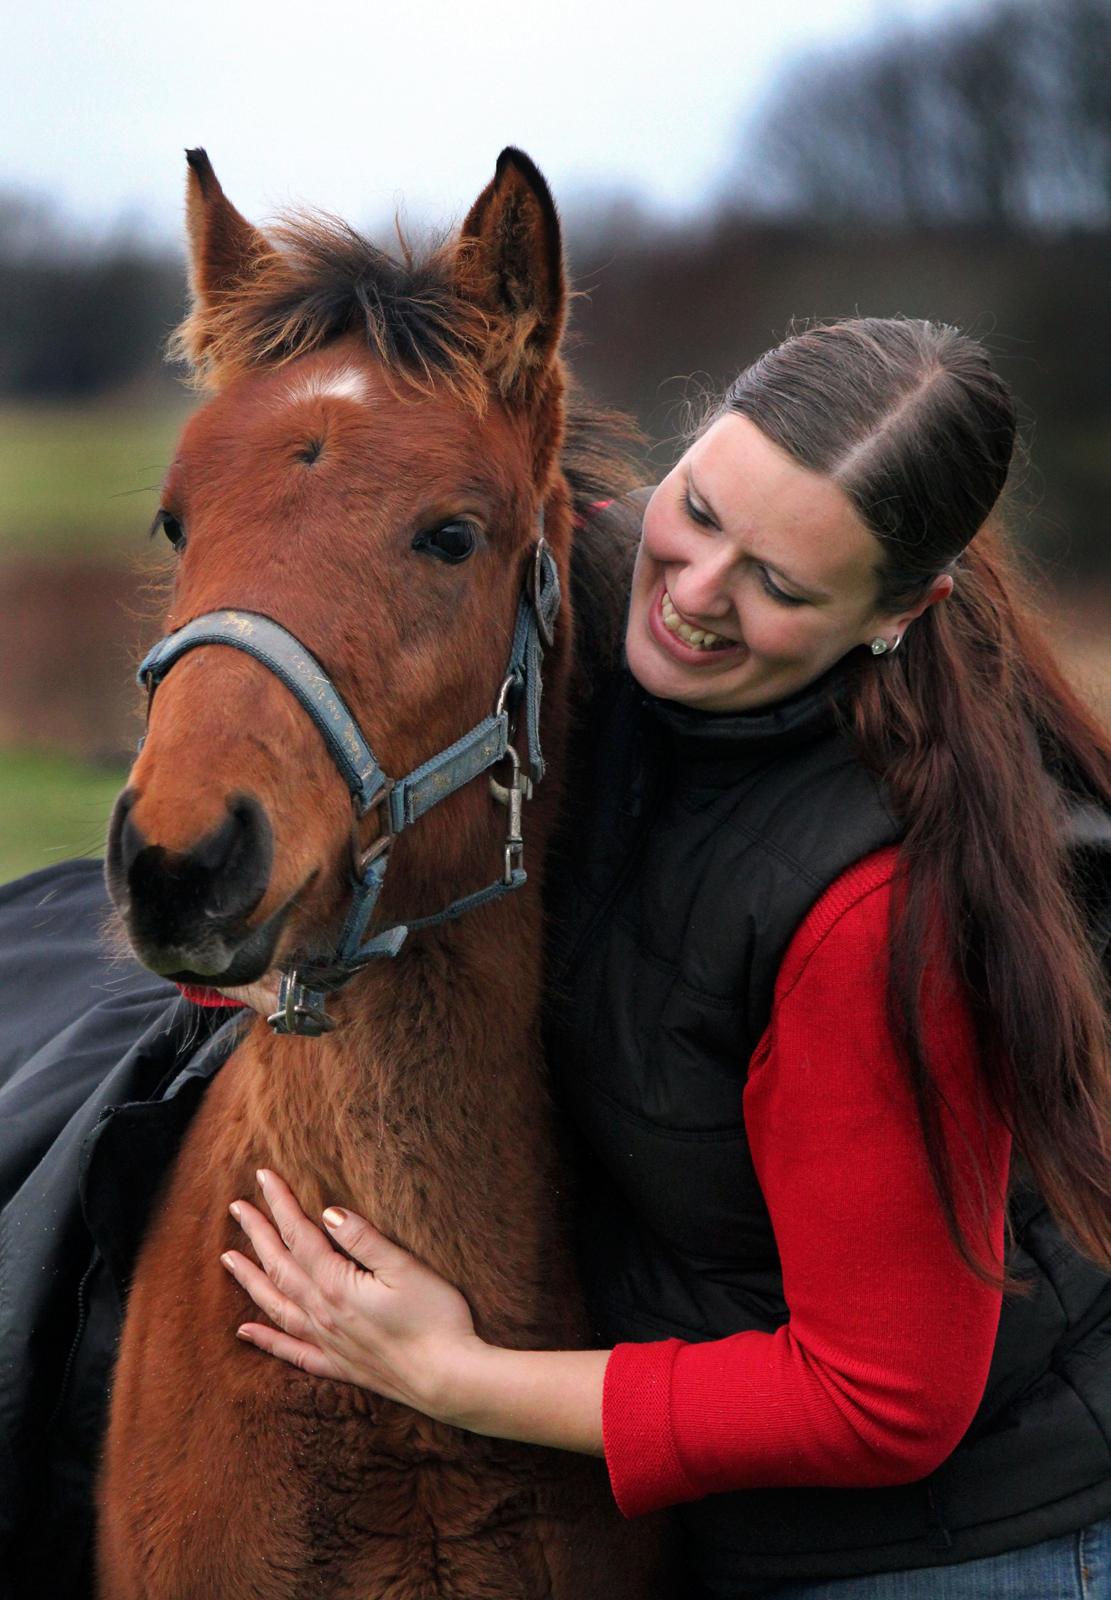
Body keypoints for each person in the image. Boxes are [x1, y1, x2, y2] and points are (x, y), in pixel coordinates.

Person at [1, 316, 1109, 1599]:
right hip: (694, 1433)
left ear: (894, 614)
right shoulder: (577, 577)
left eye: (781, 586)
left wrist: (459, 1379)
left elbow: (884, 1400)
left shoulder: (873, 907)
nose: (695, 593)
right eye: (697, 511)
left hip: (933, 1533)